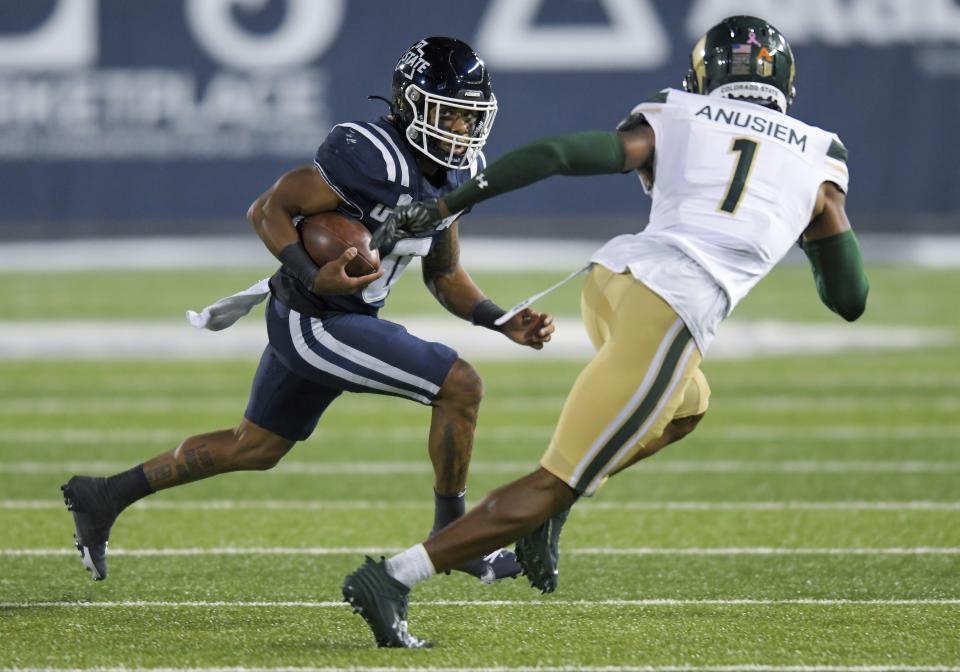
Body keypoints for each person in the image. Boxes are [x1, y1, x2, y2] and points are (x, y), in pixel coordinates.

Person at [342, 15, 870, 648]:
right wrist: (815, 226)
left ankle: (555, 508)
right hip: (671, 311)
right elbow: (848, 298)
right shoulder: (818, 152)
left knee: (689, 404)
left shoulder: (678, 113)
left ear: (706, 75)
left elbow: (561, 155)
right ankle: (395, 577)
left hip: (611, 285)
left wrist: (448, 203)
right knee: (553, 479)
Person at [60, 36, 554, 584]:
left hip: (336, 318)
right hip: (315, 318)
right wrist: (308, 268)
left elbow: (443, 273)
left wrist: (501, 318)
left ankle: (104, 495)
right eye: (451, 116)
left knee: (255, 447)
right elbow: (269, 208)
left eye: (469, 118)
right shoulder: (369, 154)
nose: (462, 131)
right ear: (411, 104)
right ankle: (454, 537)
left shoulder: (458, 172)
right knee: (461, 385)